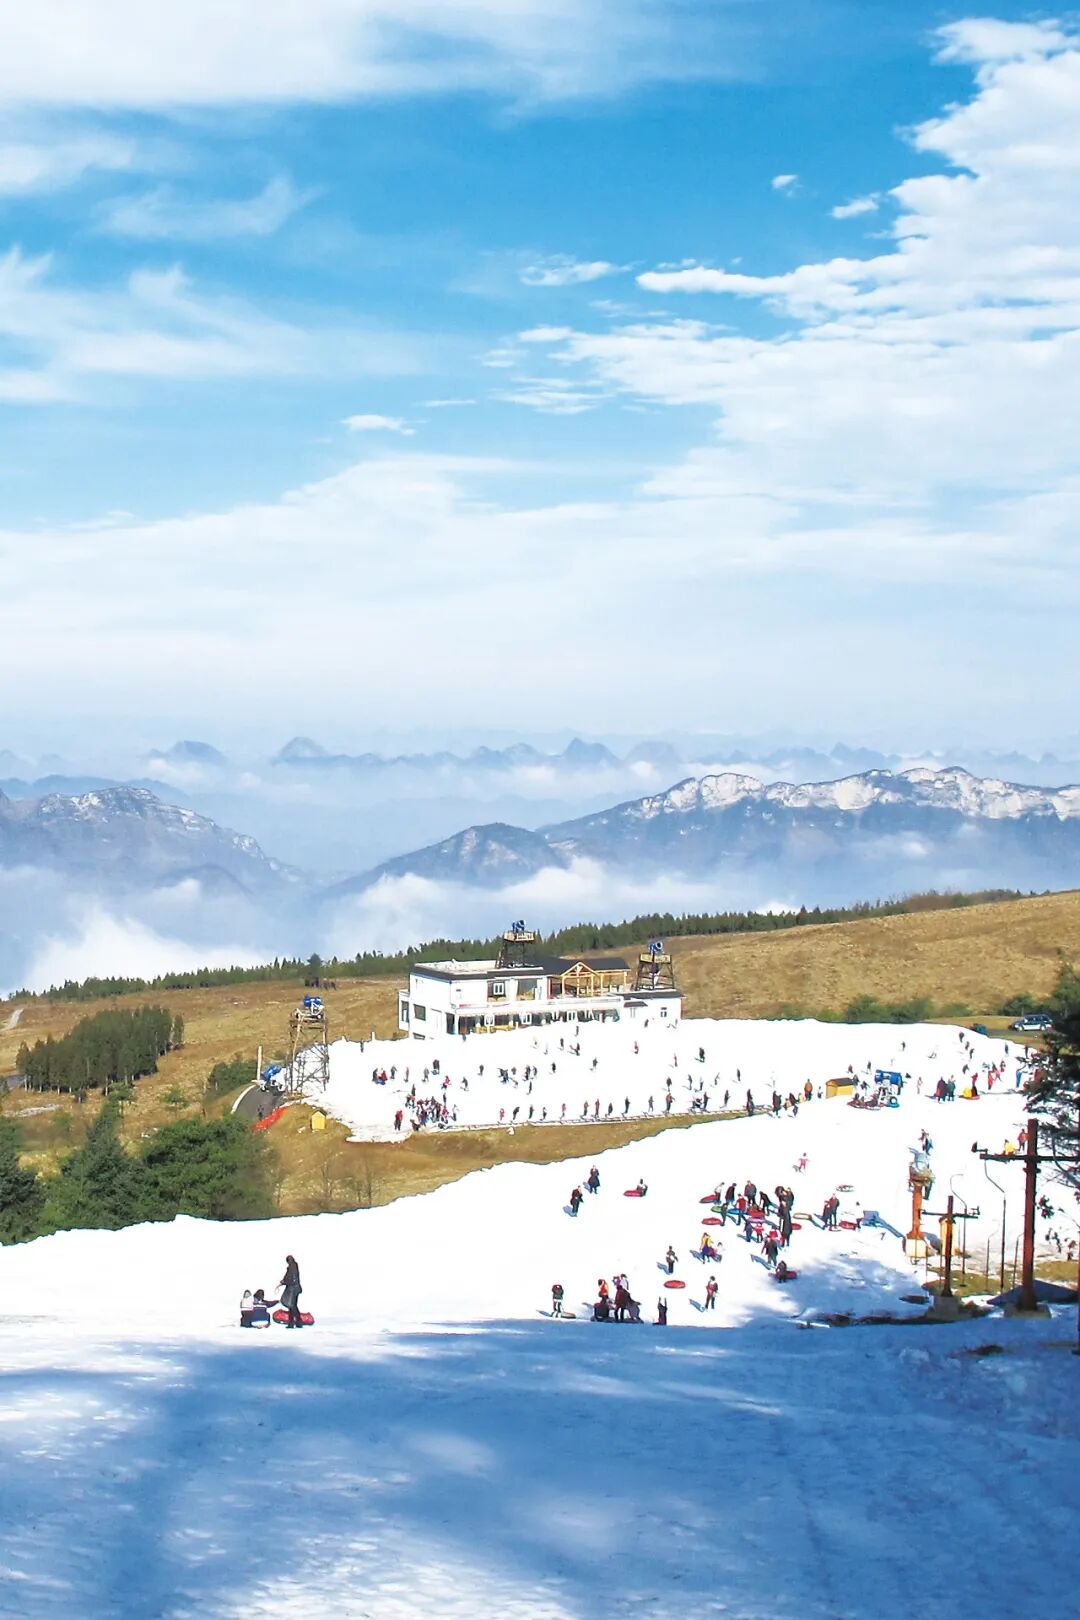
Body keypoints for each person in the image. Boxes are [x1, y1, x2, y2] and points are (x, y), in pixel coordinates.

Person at [279, 1254, 303, 1328]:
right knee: (293, 1306)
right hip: (296, 1289)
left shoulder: (291, 1267)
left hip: (292, 1290)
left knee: (291, 1306)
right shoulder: (294, 1266)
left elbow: (291, 1279)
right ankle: (296, 1322)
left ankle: (294, 1323)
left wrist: (284, 1282)